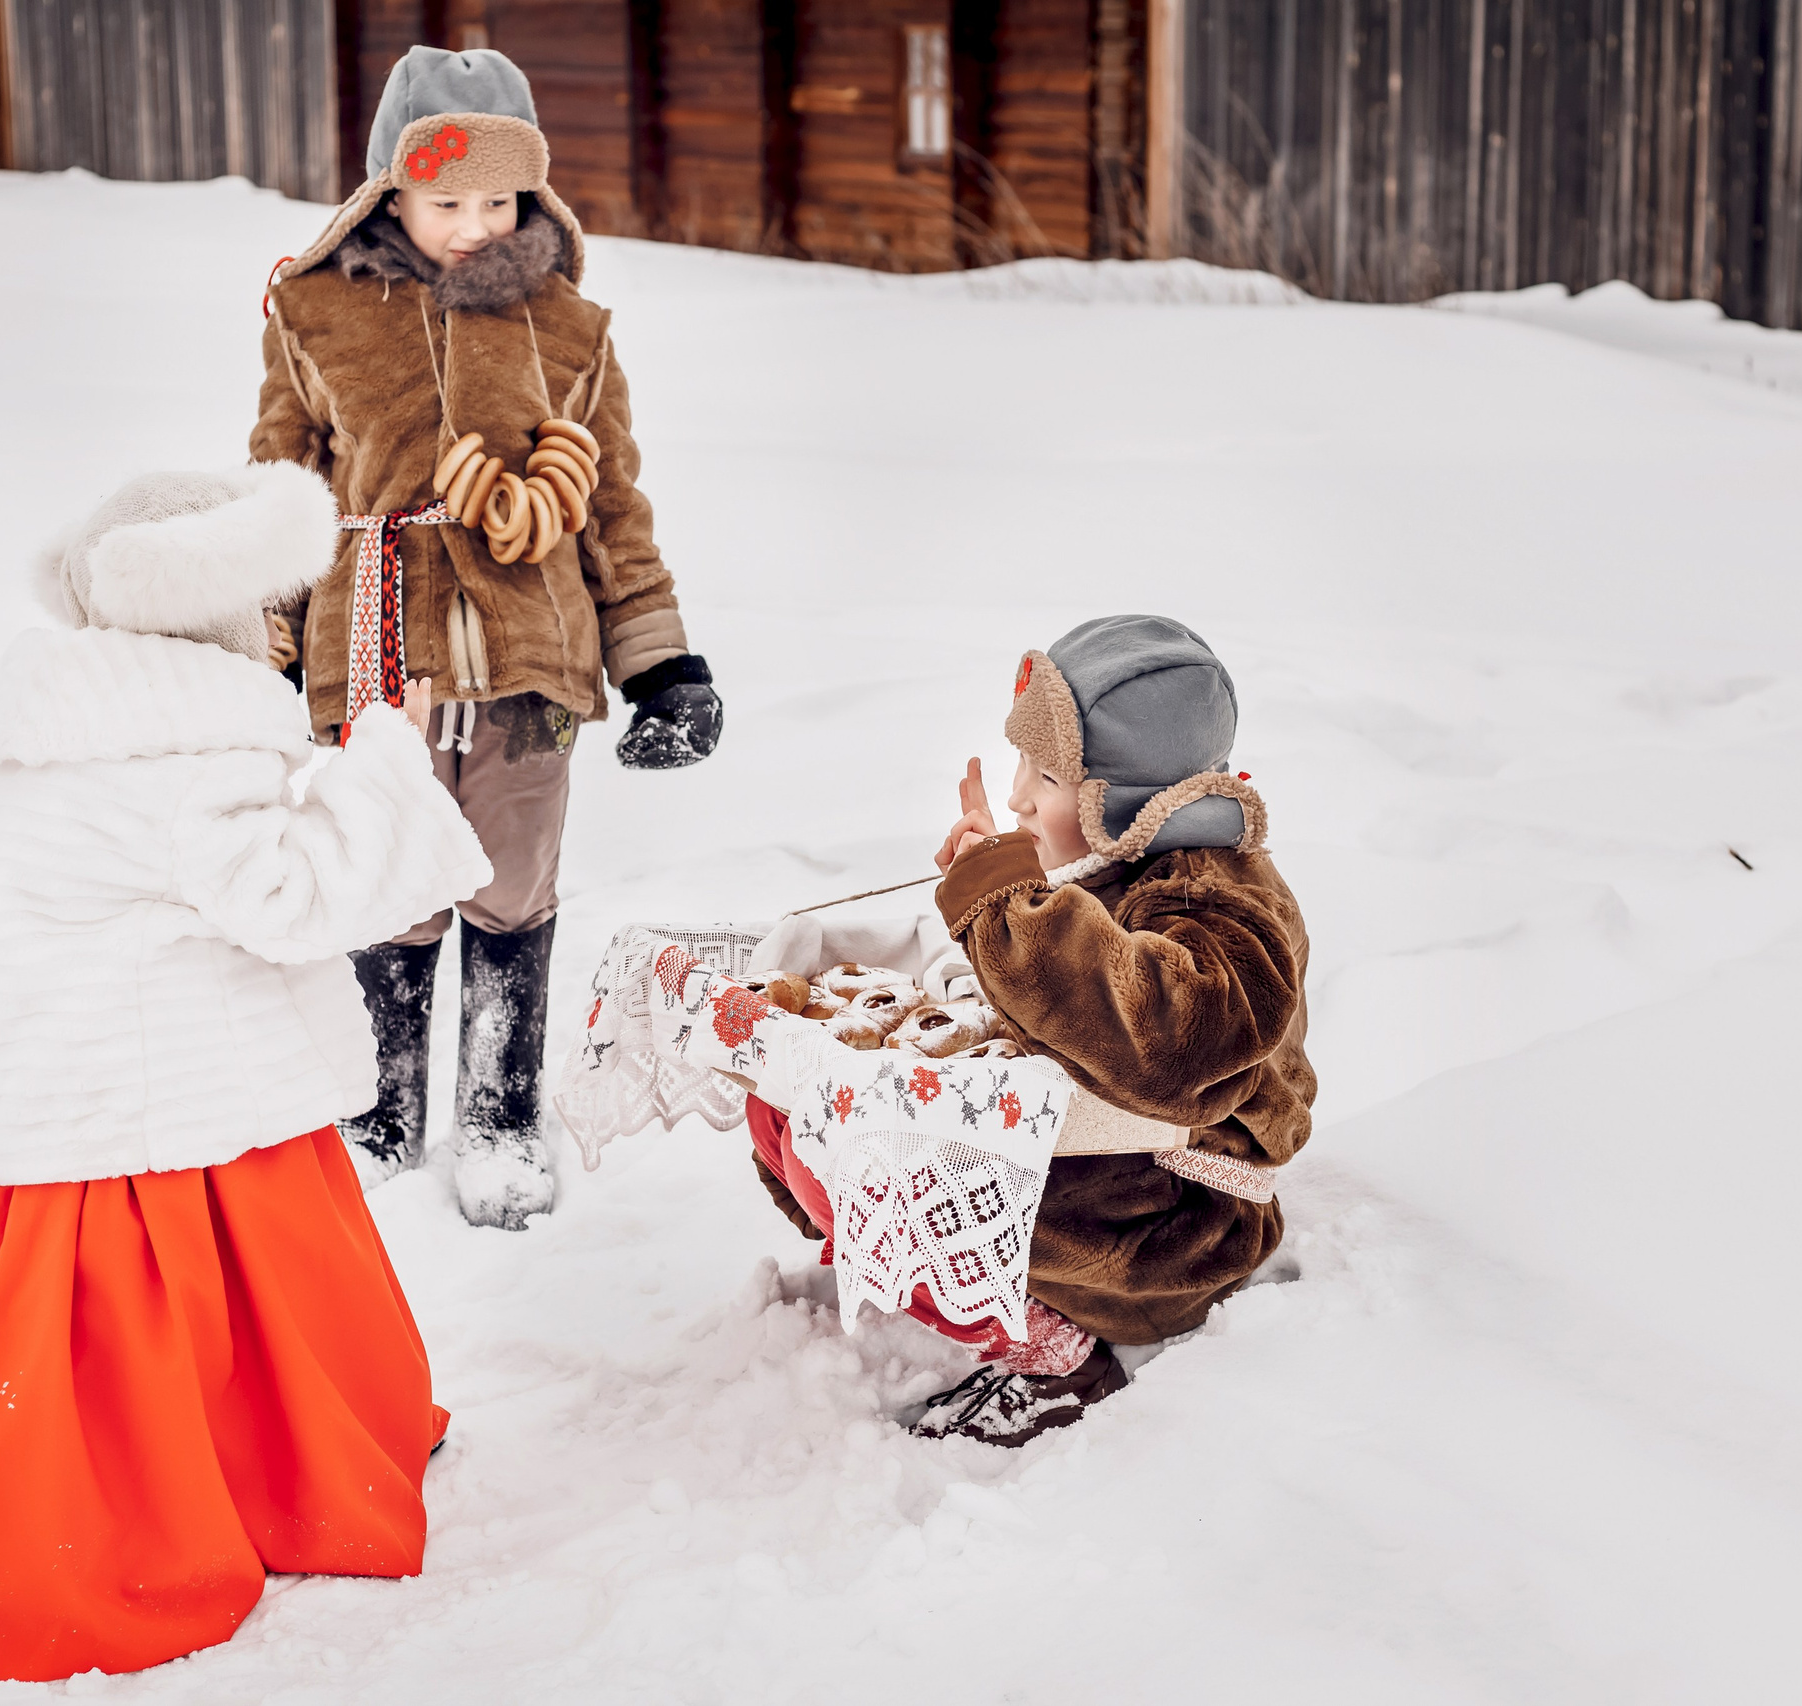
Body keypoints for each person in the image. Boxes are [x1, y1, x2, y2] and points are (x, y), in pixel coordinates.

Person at [0, 465, 493, 1687]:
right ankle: (263, 1495)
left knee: (118, 1370)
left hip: (62, 1118)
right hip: (195, 1117)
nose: (274, 635)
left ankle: (142, 1509)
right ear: (210, 620)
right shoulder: (183, 759)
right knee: (264, 1313)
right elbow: (294, 898)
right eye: (259, 609)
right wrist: (385, 768)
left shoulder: (24, 744)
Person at [253, 46, 721, 1228]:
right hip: (377, 659)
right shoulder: (312, 314)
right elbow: (278, 492)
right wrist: (258, 641)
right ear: (389, 192)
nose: (475, 227)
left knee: (511, 885)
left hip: (529, 664)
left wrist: (661, 662)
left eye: (501, 201)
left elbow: (611, 505)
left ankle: (502, 1115)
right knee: (388, 882)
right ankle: (380, 1107)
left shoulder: (567, 326)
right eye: (446, 200)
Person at [749, 615, 1315, 1445]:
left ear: (1122, 801)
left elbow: (1170, 1048)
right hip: (1106, 1166)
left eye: (1046, 776)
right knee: (796, 1113)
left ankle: (1061, 1360)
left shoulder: (1218, 903)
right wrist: (999, 909)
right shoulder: (1116, 860)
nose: (1017, 797)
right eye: (1022, 764)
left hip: (1175, 1225)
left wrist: (1007, 910)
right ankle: (905, 1260)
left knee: (886, 1177)